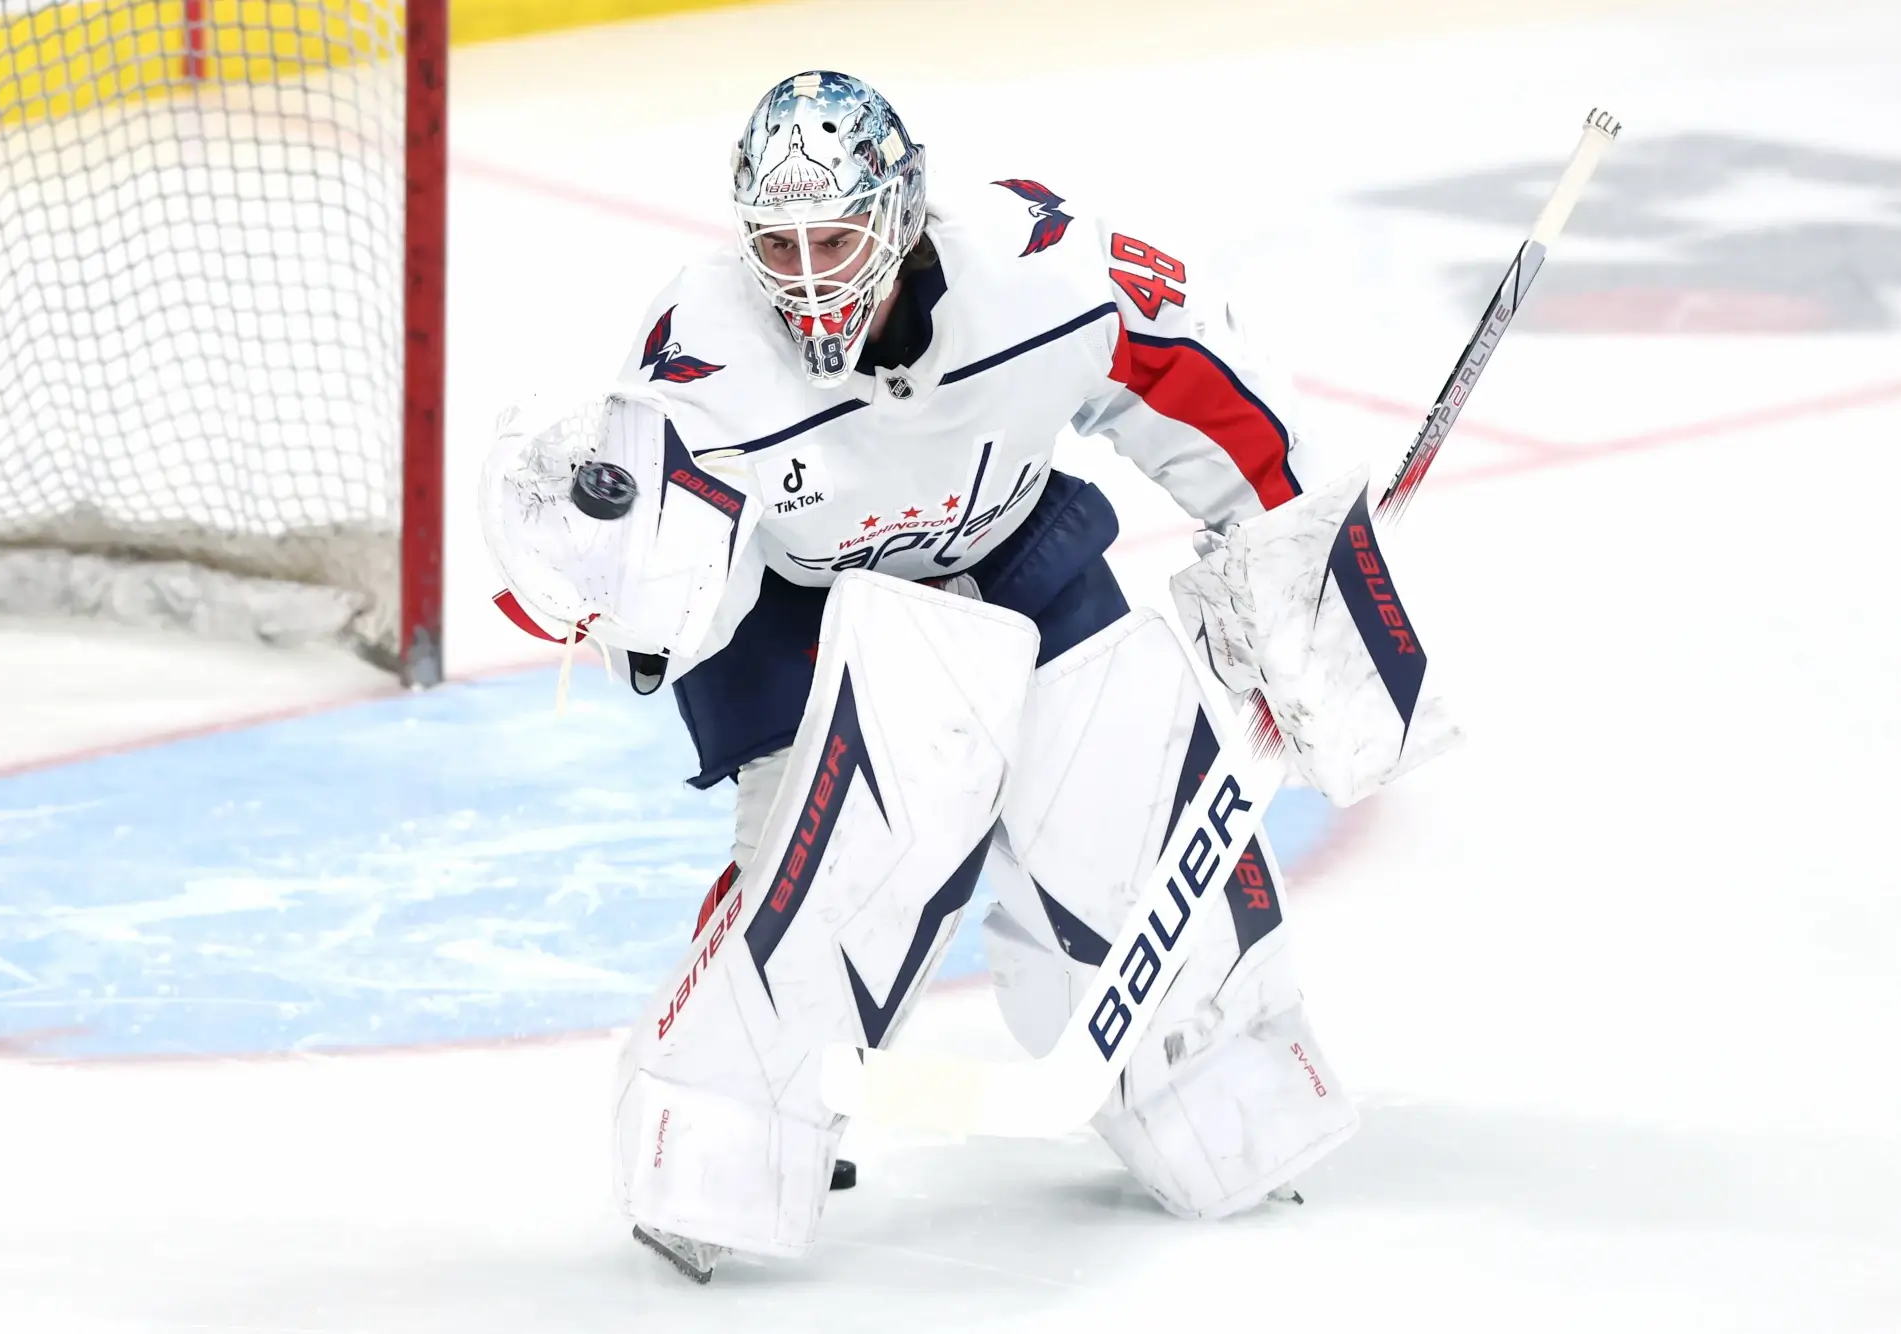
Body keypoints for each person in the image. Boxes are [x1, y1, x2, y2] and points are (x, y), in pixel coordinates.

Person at [480, 70, 1456, 1283]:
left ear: (898, 212)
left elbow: (1196, 370)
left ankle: (1203, 1066)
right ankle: (724, 1128)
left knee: (1126, 816)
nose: (803, 274)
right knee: (835, 874)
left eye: (831, 237)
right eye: (773, 245)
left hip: (1017, 561)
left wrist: (1302, 564)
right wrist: (602, 573)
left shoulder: (1036, 268)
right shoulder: (696, 357)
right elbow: (666, 603)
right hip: (804, 617)